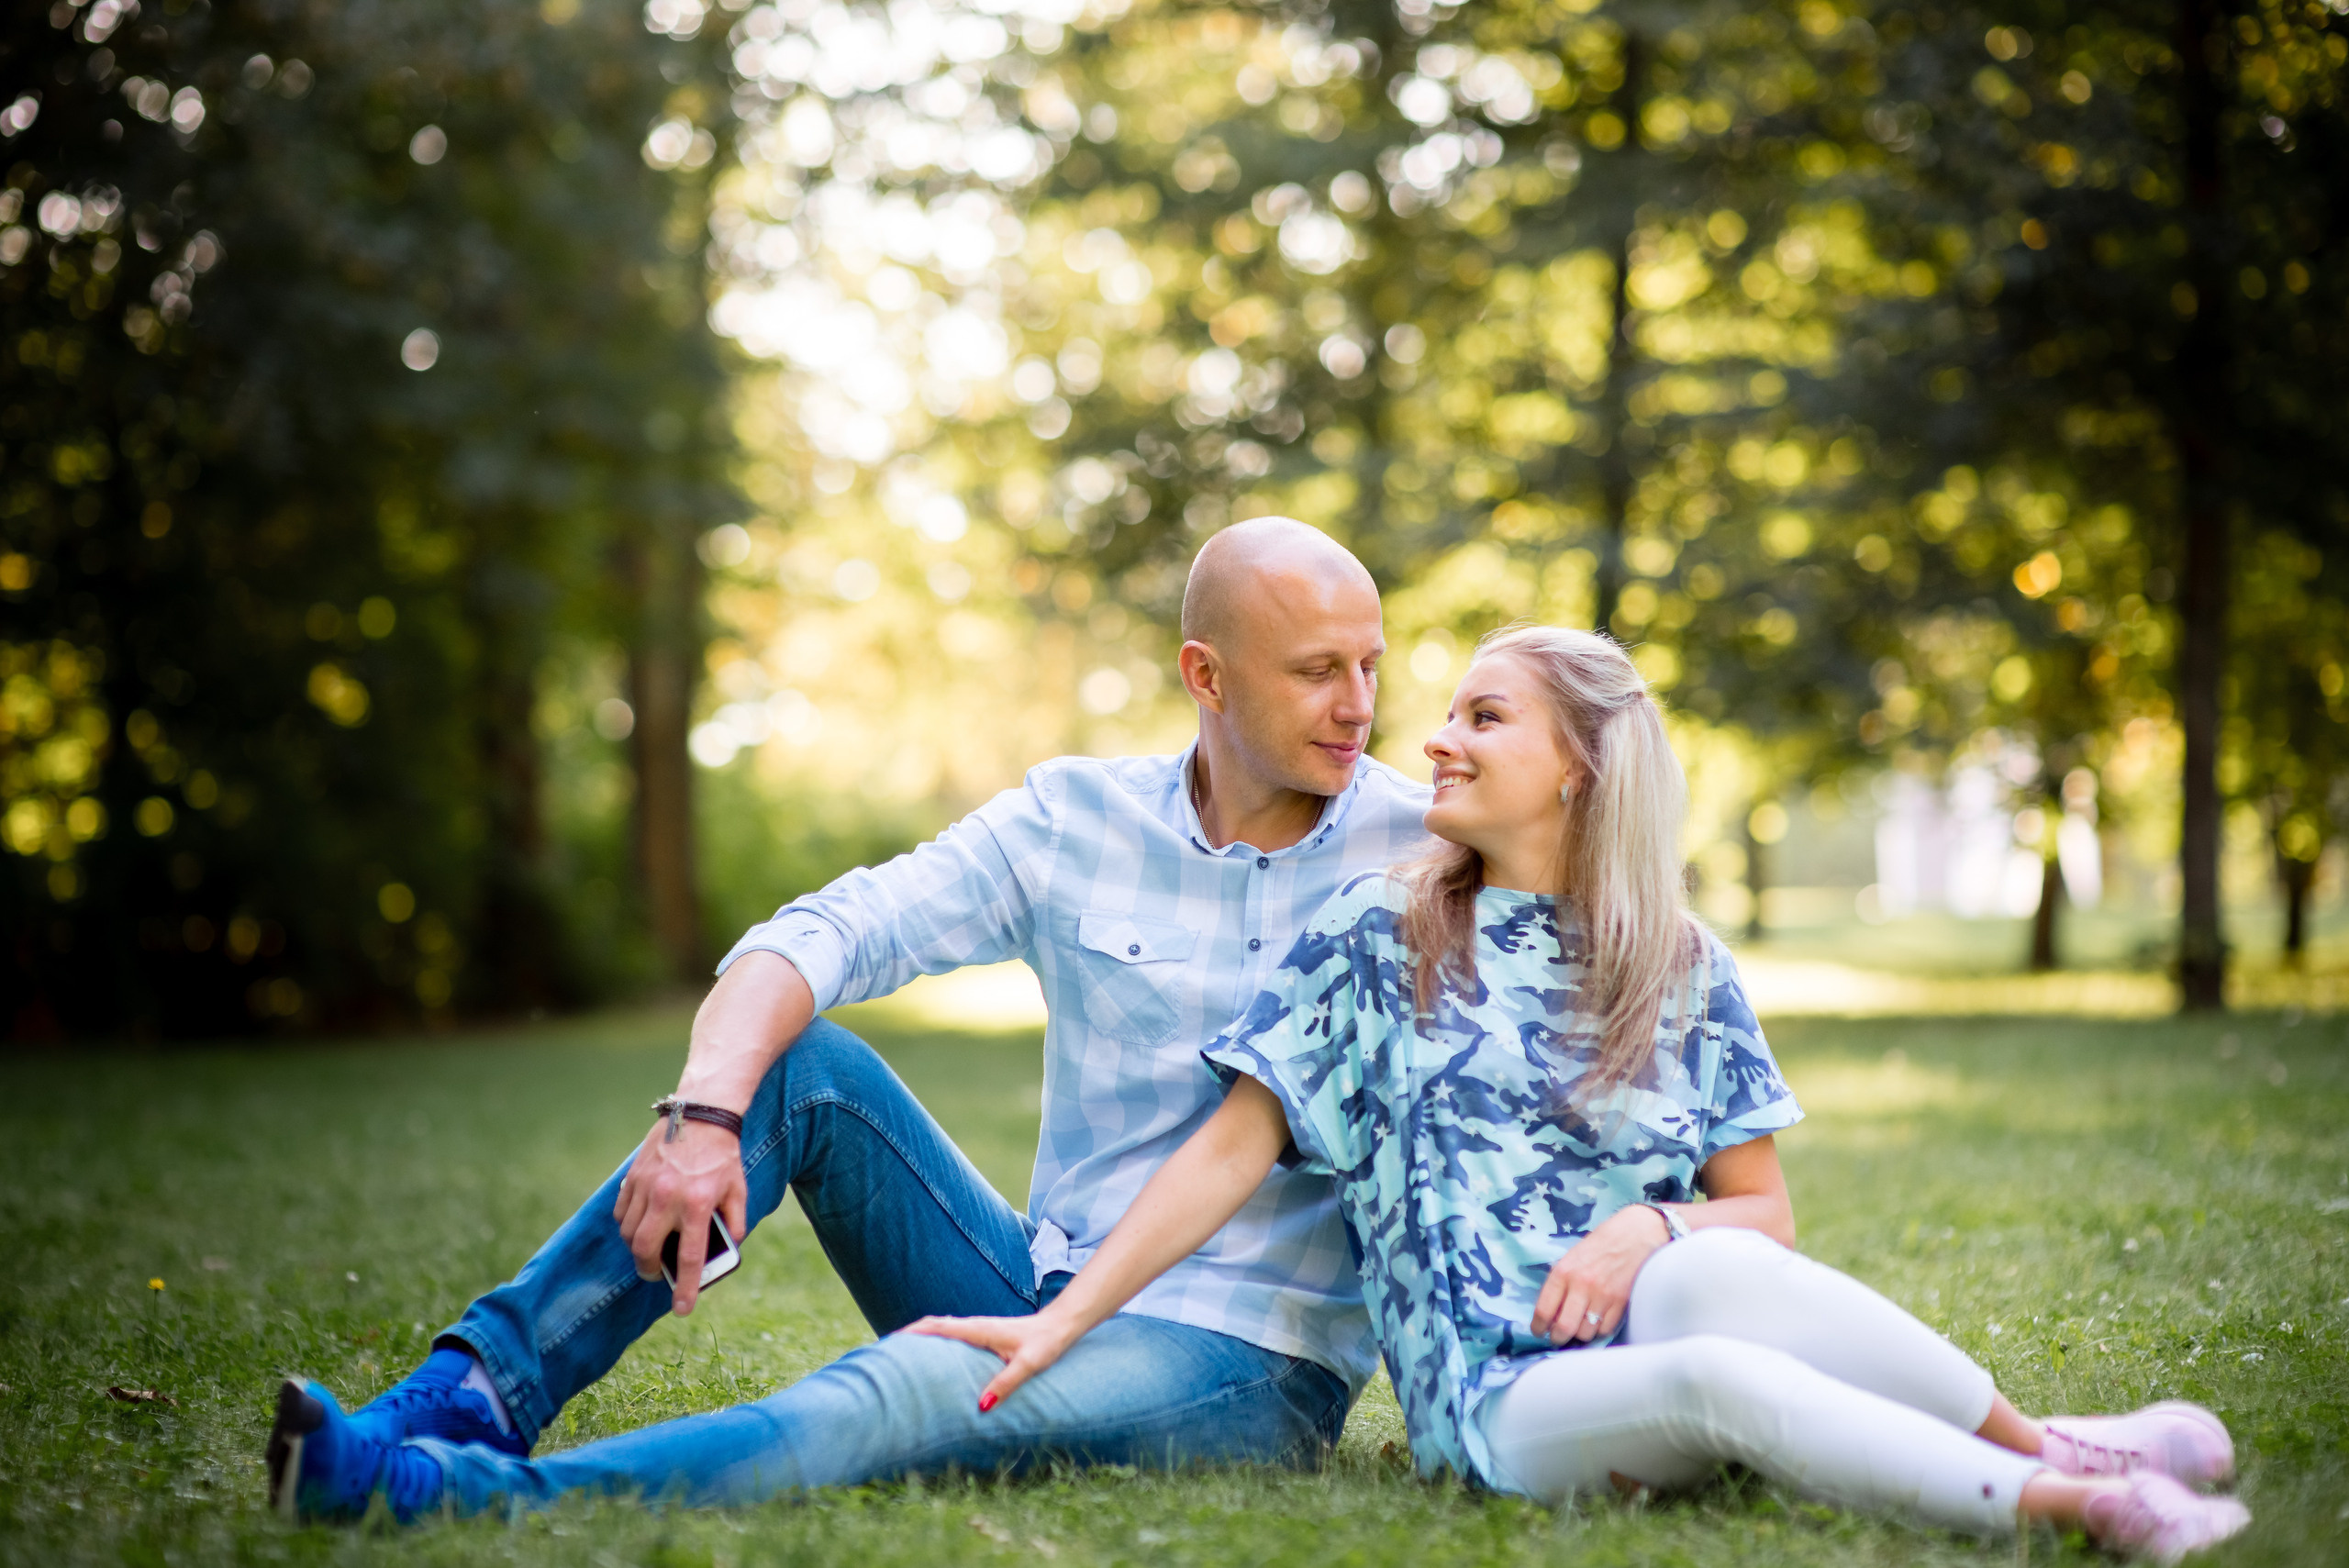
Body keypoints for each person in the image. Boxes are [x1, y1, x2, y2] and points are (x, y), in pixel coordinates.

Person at [911, 625, 2252, 1563]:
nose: (1433, 740)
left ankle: (2045, 1440)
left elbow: (1763, 1219)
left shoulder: (1679, 960)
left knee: (1708, 1275)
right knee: (1717, 1371)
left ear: (1578, 767)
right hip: (1499, 1402)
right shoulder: (1379, 937)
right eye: (1449, 712)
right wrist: (1063, 1319)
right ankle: (2080, 1505)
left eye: (1483, 717)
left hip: (1648, 1322)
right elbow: (1228, 1149)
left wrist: (1644, 1229)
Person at [265, 517, 1431, 1520]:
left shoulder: (1428, 855)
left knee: (908, 1383)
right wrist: (702, 1114)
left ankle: (454, 1498)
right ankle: (474, 1395)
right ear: (1207, 675)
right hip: (1038, 1285)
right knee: (804, 1064)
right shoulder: (1077, 818)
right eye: (1318, 670)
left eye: (1370, 664)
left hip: (1243, 1357)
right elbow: (826, 929)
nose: (1359, 705)